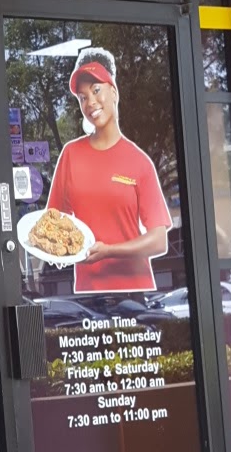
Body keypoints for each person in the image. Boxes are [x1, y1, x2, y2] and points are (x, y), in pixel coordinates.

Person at [46, 47, 171, 294]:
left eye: (96, 90)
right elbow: (53, 222)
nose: (90, 102)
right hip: (88, 293)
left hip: (134, 292)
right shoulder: (71, 155)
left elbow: (159, 241)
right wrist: (56, 252)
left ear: (113, 92)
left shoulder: (139, 161)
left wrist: (109, 251)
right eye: (82, 97)